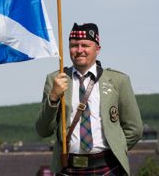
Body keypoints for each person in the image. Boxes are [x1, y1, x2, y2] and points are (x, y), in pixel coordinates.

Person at [35, 23, 143, 175]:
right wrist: (53, 96)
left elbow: (135, 129)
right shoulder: (55, 79)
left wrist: (116, 149)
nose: (79, 50)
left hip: (108, 167)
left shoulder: (118, 81)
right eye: (74, 45)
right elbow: (43, 130)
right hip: (68, 167)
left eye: (85, 45)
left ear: (97, 49)